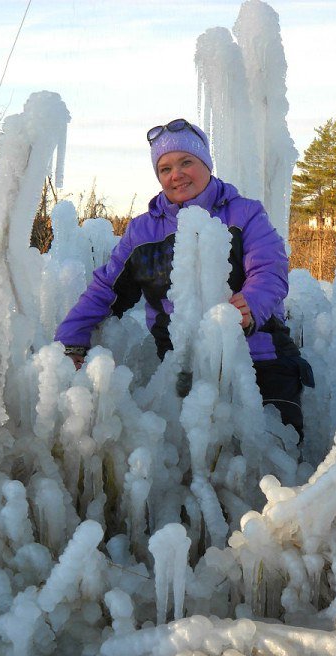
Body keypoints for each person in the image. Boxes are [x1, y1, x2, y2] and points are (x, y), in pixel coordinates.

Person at [55, 118, 313, 439]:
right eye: (165, 169)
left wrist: (251, 305)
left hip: (262, 359)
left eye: (186, 162)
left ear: (205, 164)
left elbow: (270, 270)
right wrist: (70, 341)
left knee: (276, 458)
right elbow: (105, 290)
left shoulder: (244, 213)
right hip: (181, 371)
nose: (176, 174)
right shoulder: (142, 232)